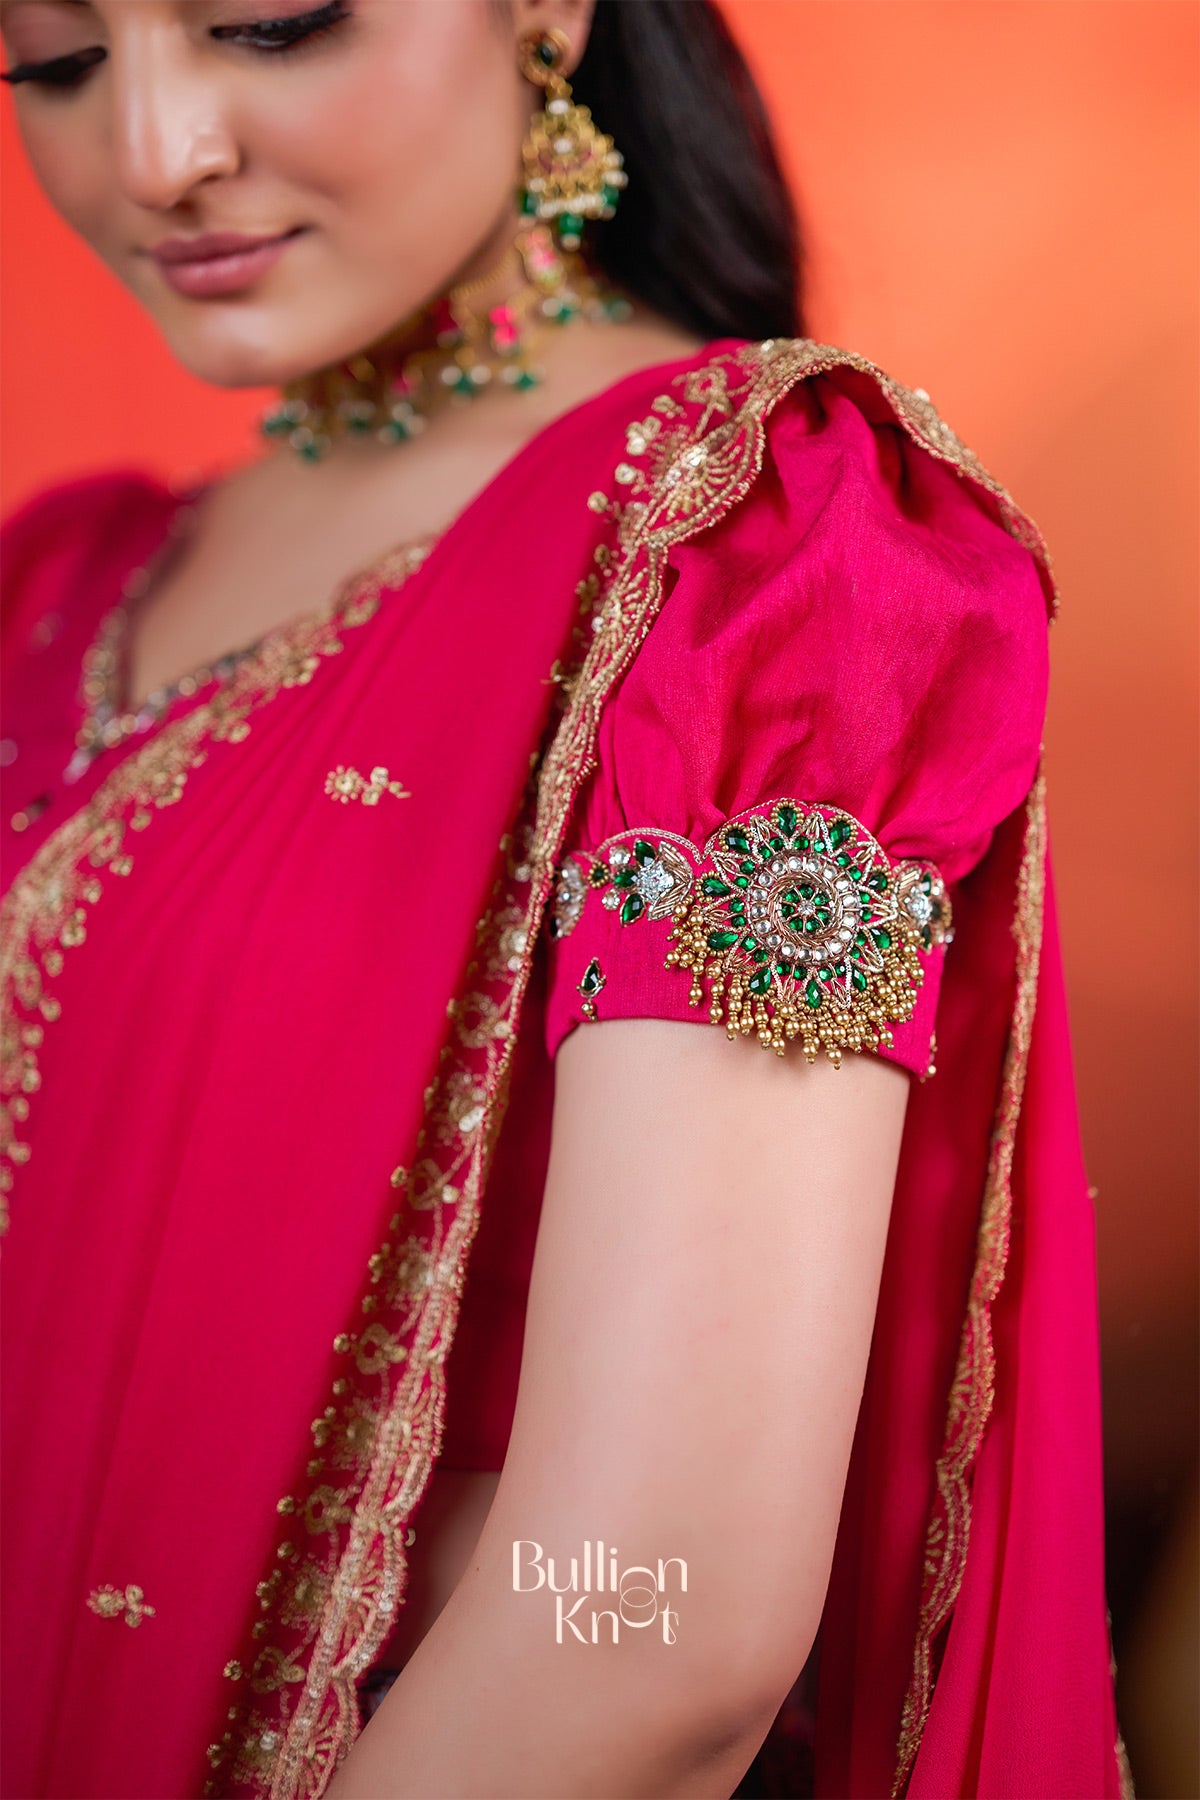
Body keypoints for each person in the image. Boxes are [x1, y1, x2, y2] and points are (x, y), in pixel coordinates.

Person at [0, 2, 1131, 1797]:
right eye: (49, 59)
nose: (152, 153)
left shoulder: (760, 560)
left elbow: (652, 1622)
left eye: (268, 24)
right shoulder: (54, 590)